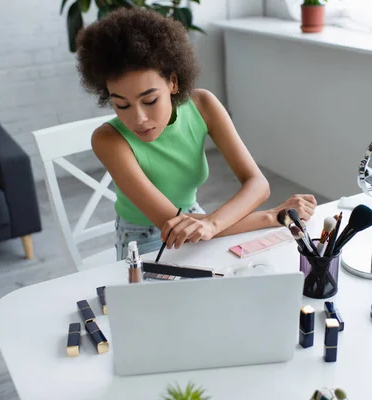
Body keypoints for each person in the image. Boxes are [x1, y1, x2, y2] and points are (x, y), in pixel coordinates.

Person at [75, 7, 317, 260]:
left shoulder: (202, 105)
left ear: (173, 82)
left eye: (150, 100)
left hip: (201, 220)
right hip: (145, 241)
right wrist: (272, 216)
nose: (139, 118)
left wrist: (212, 223)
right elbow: (172, 225)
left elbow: (258, 184)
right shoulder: (108, 140)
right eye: (121, 105)